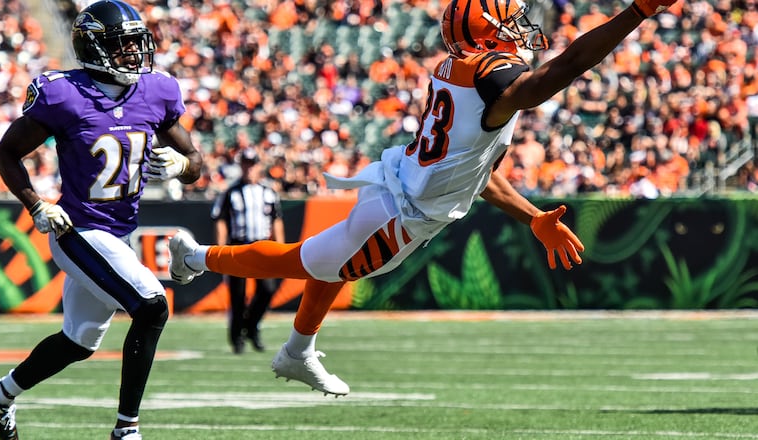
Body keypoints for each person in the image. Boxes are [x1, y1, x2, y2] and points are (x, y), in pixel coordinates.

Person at [168, 0, 675, 396]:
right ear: (489, 32)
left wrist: (533, 216)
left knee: (332, 262)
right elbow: (562, 70)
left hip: (397, 184)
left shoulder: (460, 69)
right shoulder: (493, 75)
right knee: (311, 262)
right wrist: (636, 13)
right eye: (511, 21)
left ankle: (298, 349)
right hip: (403, 214)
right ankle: (194, 257)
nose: (521, 29)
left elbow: (479, 175)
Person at [0, 1, 202, 439]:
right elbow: (6, 152)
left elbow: (194, 157)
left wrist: (182, 166)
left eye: (138, 44)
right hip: (76, 228)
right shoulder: (64, 94)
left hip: (120, 232)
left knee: (78, 341)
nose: (134, 55)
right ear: (94, 48)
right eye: (122, 47)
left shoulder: (157, 90)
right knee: (153, 306)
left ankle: (1, 394)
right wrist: (35, 204)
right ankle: (127, 430)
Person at [211, 148, 285, 354]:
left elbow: (276, 221)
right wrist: (220, 251)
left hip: (262, 246)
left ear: (258, 166)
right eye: (245, 164)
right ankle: (237, 338)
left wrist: (280, 249)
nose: (249, 168)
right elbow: (221, 220)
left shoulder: (268, 192)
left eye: (252, 164)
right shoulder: (231, 192)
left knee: (268, 289)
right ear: (241, 165)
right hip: (238, 245)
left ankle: (251, 326)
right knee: (238, 295)